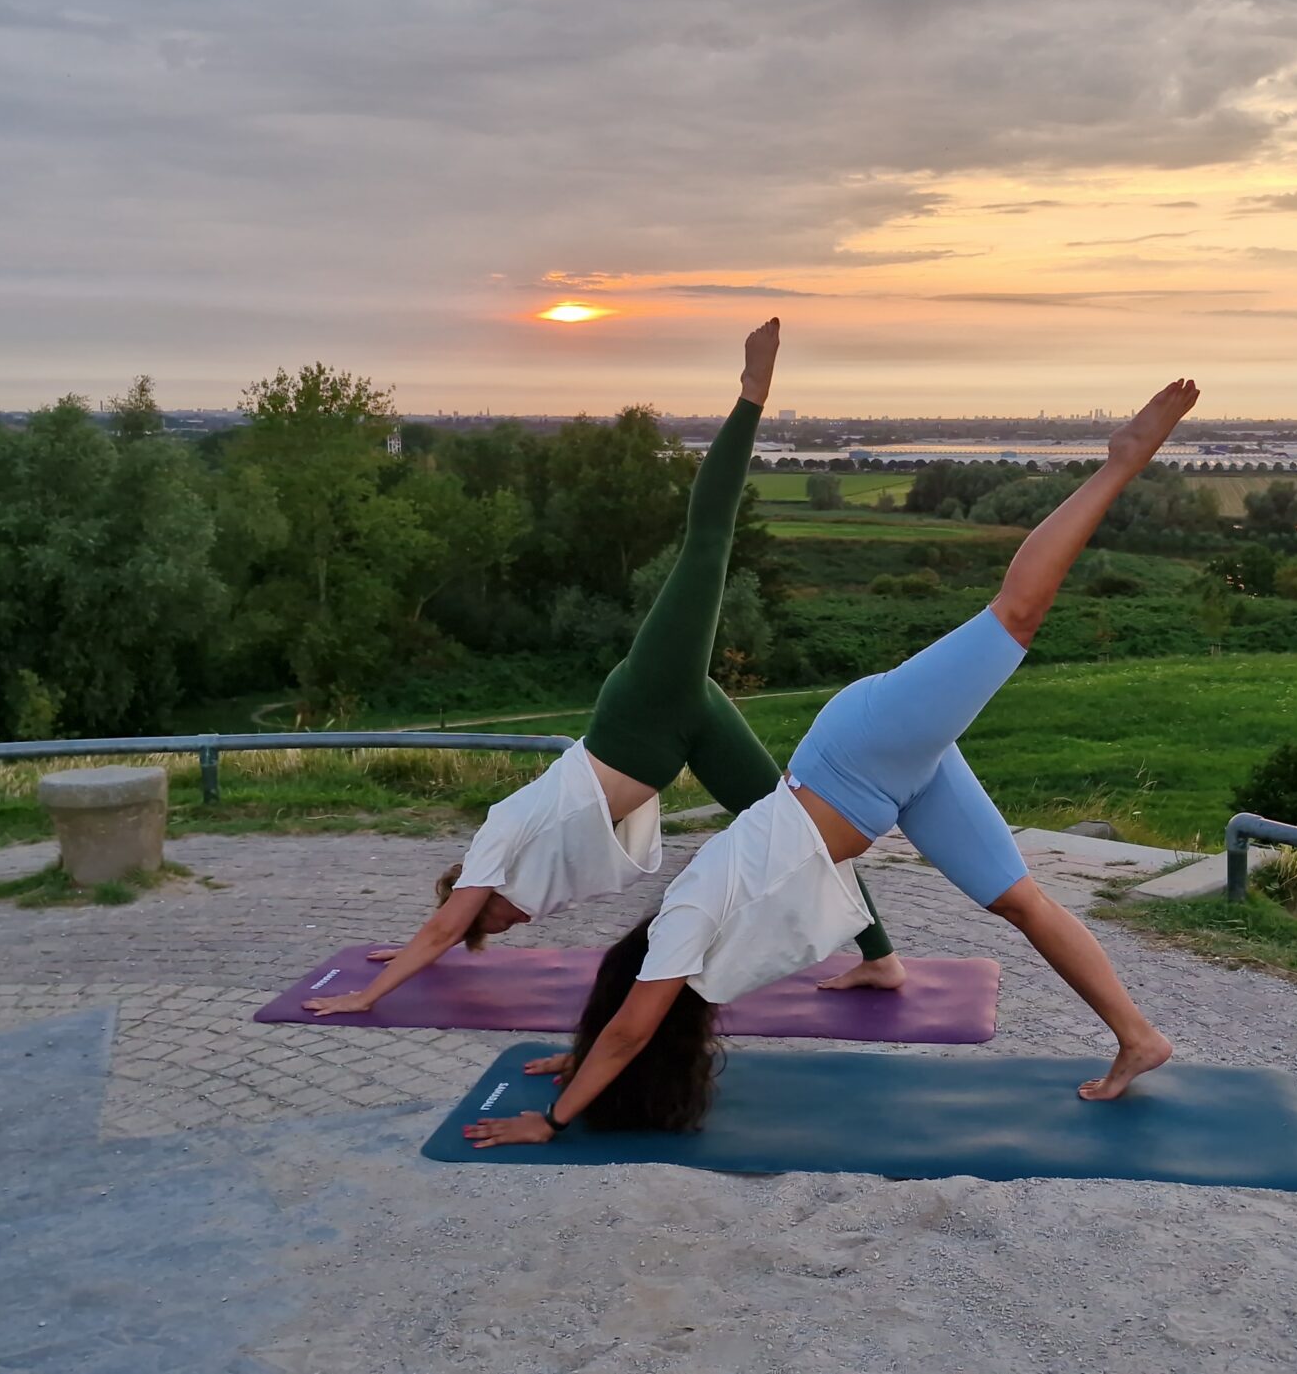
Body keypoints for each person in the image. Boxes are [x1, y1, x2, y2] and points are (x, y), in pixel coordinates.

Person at [465, 377, 1202, 1146]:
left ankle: (1119, 462)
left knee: (1014, 617)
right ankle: (1137, 1035)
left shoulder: (684, 925)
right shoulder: (699, 956)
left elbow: (626, 1034)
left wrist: (551, 1120)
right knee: (1019, 900)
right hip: (881, 786)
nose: (641, 1010)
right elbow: (622, 1033)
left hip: (861, 752)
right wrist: (585, 1052)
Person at [302, 319, 906, 1018]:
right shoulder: (509, 880)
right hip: (680, 727)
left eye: (490, 922)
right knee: (801, 832)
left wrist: (371, 992)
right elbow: (445, 926)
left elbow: (448, 919)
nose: (507, 927)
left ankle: (751, 391)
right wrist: (414, 948)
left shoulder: (496, 841)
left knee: (707, 544)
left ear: (478, 888)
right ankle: (882, 959)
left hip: (644, 708)